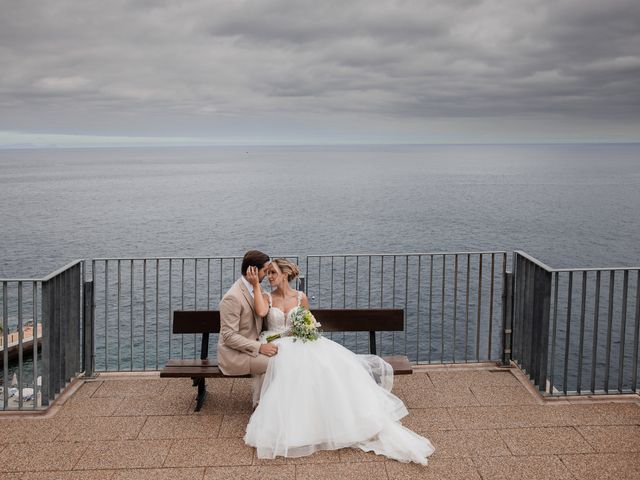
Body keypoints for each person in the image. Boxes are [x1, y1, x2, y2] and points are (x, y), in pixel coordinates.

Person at [244, 258, 435, 464]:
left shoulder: (301, 297)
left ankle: (329, 416)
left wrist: (305, 329)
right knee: (292, 369)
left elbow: (309, 322)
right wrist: (255, 285)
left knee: (327, 367)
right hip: (277, 345)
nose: (269, 277)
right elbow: (262, 312)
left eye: (272, 273)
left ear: (285, 274)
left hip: (300, 341)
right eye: (268, 273)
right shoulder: (266, 297)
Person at [217, 250, 276, 383]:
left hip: (251, 348)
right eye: (265, 271)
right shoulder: (232, 297)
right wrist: (260, 347)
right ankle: (264, 402)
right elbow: (228, 337)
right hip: (235, 356)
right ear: (253, 271)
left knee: (286, 357)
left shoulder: (256, 288)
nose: (267, 275)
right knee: (278, 364)